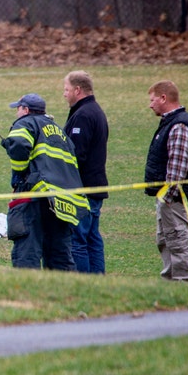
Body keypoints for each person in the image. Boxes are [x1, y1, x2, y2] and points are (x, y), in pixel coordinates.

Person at [1, 93, 89, 270]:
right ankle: (63, 295)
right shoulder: (58, 131)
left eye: (18, 109)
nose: (17, 113)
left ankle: (28, 294)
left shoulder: (26, 122)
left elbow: (18, 144)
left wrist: (20, 174)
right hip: (62, 201)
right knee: (59, 256)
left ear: (25, 110)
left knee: (27, 253)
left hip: (34, 196)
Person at [144, 80, 188, 282]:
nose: (150, 105)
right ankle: (169, 285)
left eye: (152, 100)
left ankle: (184, 283)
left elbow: (178, 167)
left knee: (178, 241)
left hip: (173, 199)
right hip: (166, 198)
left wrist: (166, 198)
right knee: (165, 241)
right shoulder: (170, 123)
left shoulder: (178, 125)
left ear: (163, 98)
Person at [62, 70, 110, 274]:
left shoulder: (83, 115)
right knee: (92, 237)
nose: (64, 94)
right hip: (95, 187)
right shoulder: (95, 110)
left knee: (79, 240)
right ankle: (98, 280)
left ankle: (85, 283)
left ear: (77, 90)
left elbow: (76, 154)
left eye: (66, 89)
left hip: (83, 189)